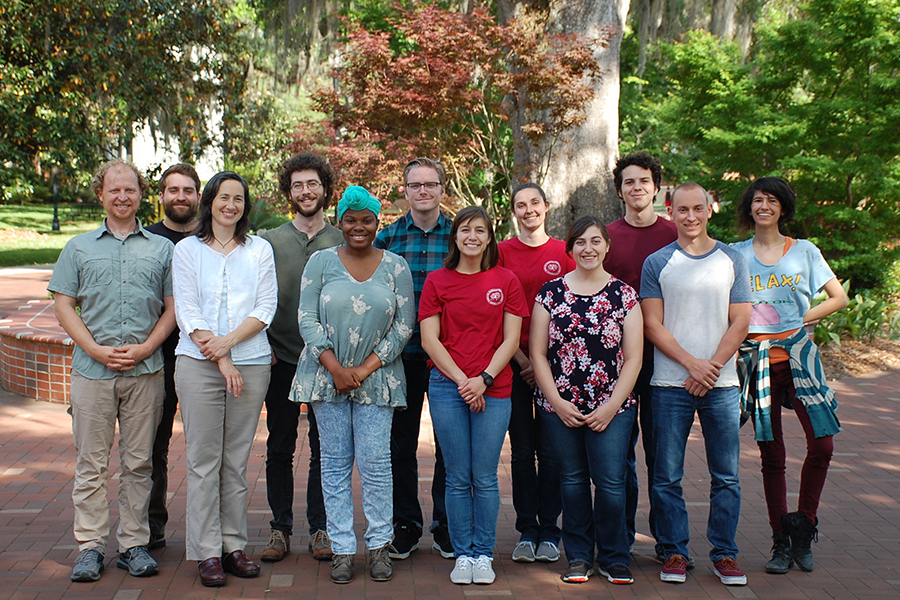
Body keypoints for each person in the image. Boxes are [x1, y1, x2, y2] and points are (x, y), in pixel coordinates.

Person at [49, 159, 175, 582]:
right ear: (101, 195)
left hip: (146, 373)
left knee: (140, 464)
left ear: (141, 195)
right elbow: (64, 303)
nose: (123, 197)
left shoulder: (162, 249)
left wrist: (145, 348)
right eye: (114, 190)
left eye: (131, 190)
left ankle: (133, 544)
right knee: (91, 464)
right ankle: (89, 547)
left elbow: (174, 309)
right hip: (91, 372)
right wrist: (95, 350)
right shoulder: (78, 247)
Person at [291, 186, 415, 584]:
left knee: (377, 464)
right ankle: (343, 548)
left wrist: (362, 369)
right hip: (327, 378)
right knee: (335, 463)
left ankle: (380, 546)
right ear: (339, 221)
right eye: (350, 219)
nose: (358, 227)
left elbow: (404, 326)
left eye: (367, 220)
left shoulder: (396, 266)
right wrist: (336, 367)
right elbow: (306, 318)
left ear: (378, 222)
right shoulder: (320, 262)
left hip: (377, 378)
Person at [733, 177, 846, 574]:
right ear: (749, 207)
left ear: (783, 207)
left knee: (823, 445)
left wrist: (801, 320)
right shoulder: (736, 254)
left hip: (799, 356)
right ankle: (781, 539)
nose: (764, 206)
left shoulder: (805, 252)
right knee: (771, 452)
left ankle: (804, 524)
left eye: (772, 200)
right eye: (758, 200)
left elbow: (839, 297)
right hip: (758, 361)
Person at [641, 182, 752, 586]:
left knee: (726, 476)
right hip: (670, 385)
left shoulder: (732, 258)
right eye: (682, 210)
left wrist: (713, 366)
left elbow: (740, 318)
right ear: (670, 212)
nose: (690, 217)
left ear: (710, 209)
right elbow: (652, 324)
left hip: (721, 386)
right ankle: (674, 551)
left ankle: (724, 553)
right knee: (667, 474)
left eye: (697, 209)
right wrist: (692, 365)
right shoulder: (657, 262)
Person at [172, 171, 277, 588]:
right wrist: (220, 358)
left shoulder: (260, 249)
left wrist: (229, 348)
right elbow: (188, 310)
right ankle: (205, 551)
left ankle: (233, 545)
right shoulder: (187, 250)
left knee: (235, 462)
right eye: (223, 197)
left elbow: (266, 306)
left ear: (244, 206)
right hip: (197, 364)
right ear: (209, 202)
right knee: (202, 461)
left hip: (250, 363)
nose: (230, 205)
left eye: (238, 198)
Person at [530, 216, 644, 585]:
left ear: (607, 247)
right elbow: (538, 354)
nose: (588, 248)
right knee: (573, 481)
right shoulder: (550, 293)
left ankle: (614, 557)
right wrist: (557, 402)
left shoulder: (624, 295)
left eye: (596, 241)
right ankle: (579, 556)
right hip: (560, 407)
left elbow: (634, 358)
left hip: (613, 407)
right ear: (570, 248)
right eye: (580, 242)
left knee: (611, 482)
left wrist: (611, 406)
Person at [420, 205, 529, 586]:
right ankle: (462, 553)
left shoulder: (506, 280)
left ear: (489, 237)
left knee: (483, 477)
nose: (472, 236)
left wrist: (482, 378)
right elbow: (430, 339)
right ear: (455, 236)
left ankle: (483, 553)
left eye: (479, 230)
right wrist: (464, 382)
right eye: (465, 230)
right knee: (455, 475)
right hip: (448, 388)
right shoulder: (438, 281)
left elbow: (511, 338)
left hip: (494, 388)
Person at [258, 153, 343, 563]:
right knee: (280, 446)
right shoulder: (269, 242)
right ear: (288, 192)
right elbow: (253, 298)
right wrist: (263, 344)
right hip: (281, 358)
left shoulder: (343, 241)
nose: (305, 192)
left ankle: (320, 527)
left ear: (325, 189)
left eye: (312, 184)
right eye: (297, 185)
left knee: (325, 447)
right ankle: (279, 528)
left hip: (327, 360)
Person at [374, 157, 453, 560]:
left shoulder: (461, 237)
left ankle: (445, 524)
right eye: (416, 185)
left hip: (449, 359)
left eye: (431, 184)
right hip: (399, 357)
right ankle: (405, 523)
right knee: (399, 445)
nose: (423, 191)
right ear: (404, 191)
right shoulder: (386, 239)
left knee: (448, 445)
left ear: (443, 189)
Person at [605, 152, 677, 560]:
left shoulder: (674, 235)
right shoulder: (607, 237)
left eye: (644, 181)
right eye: (629, 182)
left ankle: (668, 544)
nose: (637, 188)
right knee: (620, 459)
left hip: (665, 362)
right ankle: (623, 540)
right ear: (620, 190)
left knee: (662, 458)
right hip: (618, 364)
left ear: (655, 187)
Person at [497, 183, 573, 563]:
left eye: (534, 204)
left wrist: (543, 363)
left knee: (552, 451)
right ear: (514, 211)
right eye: (520, 205)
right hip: (513, 365)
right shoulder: (501, 253)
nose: (528, 211)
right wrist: (523, 361)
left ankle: (551, 528)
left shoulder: (564, 253)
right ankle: (528, 528)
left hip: (556, 370)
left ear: (547, 206)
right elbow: (495, 311)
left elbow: (575, 309)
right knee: (523, 451)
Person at [145, 163, 201, 550]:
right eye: (173, 190)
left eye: (188, 190)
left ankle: (211, 531)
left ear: (198, 196)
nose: (180, 197)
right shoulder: (146, 240)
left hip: (205, 358)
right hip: (157, 360)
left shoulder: (212, 238)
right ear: (162, 196)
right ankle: (151, 528)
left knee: (207, 449)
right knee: (153, 446)